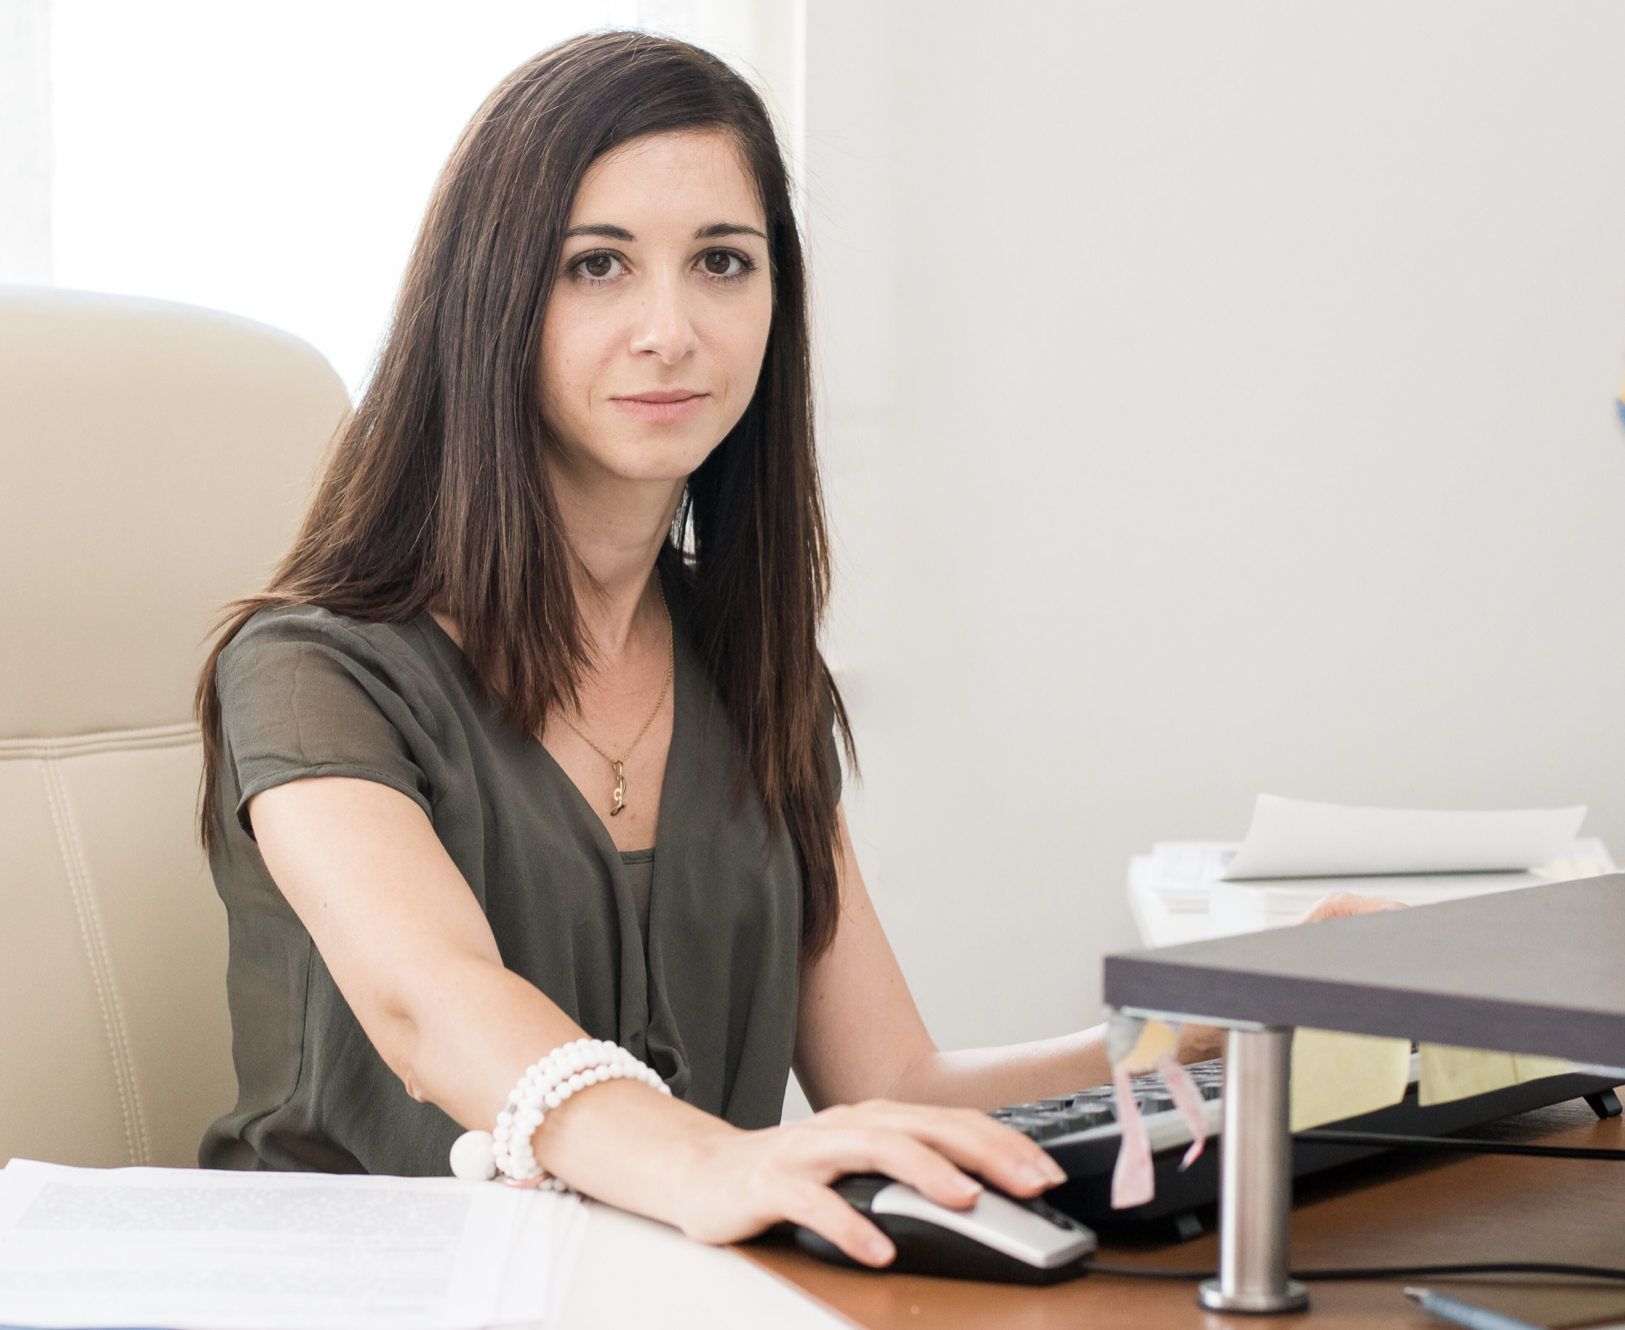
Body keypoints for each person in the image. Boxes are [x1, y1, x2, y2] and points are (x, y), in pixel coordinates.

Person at [195, 31, 1393, 1267]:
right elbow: (428, 1007)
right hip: (355, 1285)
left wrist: (1199, 1024)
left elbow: (897, 1083)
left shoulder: (748, 661)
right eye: (596, 266)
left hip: (665, 1289)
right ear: (491, 299)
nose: (671, 329)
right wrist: (712, 1158)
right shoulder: (312, 667)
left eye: (722, 261)